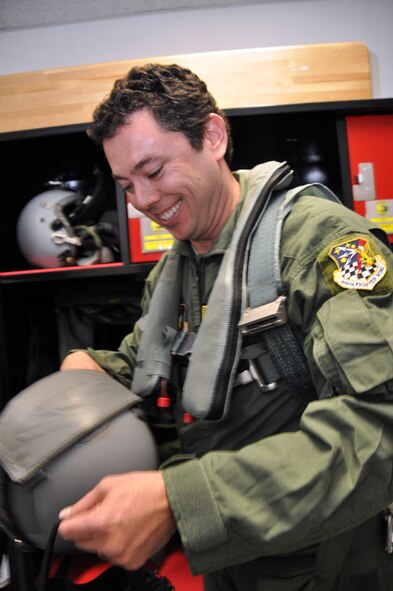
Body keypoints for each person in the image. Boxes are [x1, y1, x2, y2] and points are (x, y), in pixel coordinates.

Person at [58, 63, 393, 590]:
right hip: (223, 558)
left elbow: (379, 427)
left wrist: (184, 500)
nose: (142, 201)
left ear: (212, 137)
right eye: (126, 185)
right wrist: (93, 370)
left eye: (153, 170)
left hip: (323, 565)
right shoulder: (175, 273)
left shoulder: (320, 247)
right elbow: (149, 356)